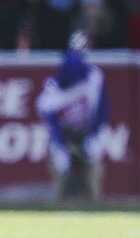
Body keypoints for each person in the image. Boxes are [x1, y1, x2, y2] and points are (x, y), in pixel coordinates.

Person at [35, 33, 108, 200]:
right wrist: (61, 144)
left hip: (86, 130)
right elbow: (50, 118)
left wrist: (94, 134)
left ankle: (94, 199)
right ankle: (61, 197)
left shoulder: (94, 79)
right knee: (59, 161)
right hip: (64, 133)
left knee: (94, 160)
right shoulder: (53, 86)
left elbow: (102, 110)